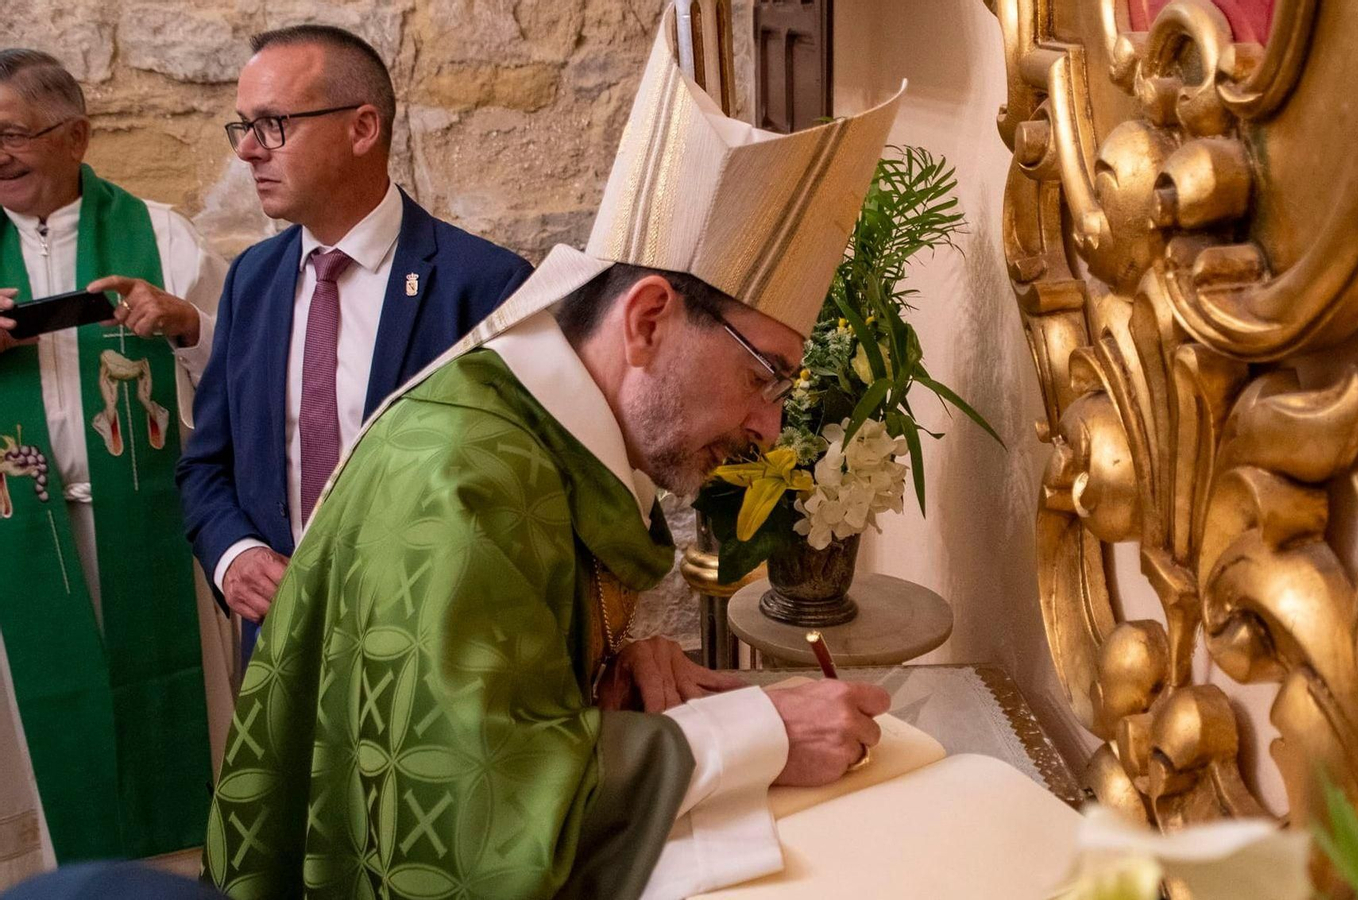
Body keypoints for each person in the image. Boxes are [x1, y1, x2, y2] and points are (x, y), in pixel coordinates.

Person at [201, 12, 904, 900]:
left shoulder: (540, 432)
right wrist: (761, 730)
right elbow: (467, 820)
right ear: (646, 321)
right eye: (765, 376)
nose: (769, 428)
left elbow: (492, 686)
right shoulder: (457, 480)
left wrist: (615, 666)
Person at [176, 26, 533, 663]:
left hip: (432, 653)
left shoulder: (484, 285)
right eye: (244, 127)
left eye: (273, 124)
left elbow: (529, 494)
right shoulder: (251, 281)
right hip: (280, 648)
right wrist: (235, 555)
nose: (248, 152)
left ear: (362, 128)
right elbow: (206, 465)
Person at [0, 49, 233, 867]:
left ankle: (180, 877)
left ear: (78, 136)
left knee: (170, 708)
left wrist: (186, 322)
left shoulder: (161, 232)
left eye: (12, 133)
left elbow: (243, 373)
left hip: (145, 528)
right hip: (14, 542)